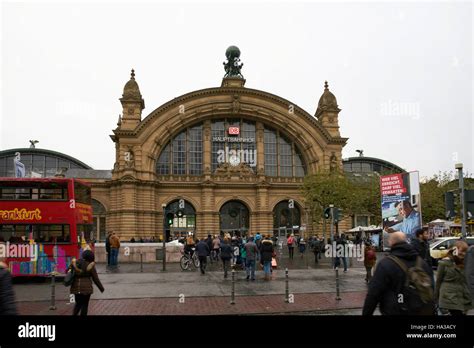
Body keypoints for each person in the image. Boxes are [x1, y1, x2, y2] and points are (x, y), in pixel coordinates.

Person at [362, 232, 434, 315]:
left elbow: (373, 294)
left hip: (396, 310)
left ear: (391, 242)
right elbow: (431, 287)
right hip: (420, 309)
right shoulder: (421, 262)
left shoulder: (385, 264)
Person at [435, 240, 472, 315]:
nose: (463, 254)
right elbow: (438, 281)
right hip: (449, 298)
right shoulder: (444, 263)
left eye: (465, 251)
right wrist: (436, 299)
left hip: (464, 297)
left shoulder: (466, 263)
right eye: (462, 251)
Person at [70, 250, 104, 316]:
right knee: (85, 305)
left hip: (76, 288)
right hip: (87, 289)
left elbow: (68, 272)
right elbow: (95, 278)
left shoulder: (75, 263)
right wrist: (101, 288)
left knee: (78, 304)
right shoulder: (90, 265)